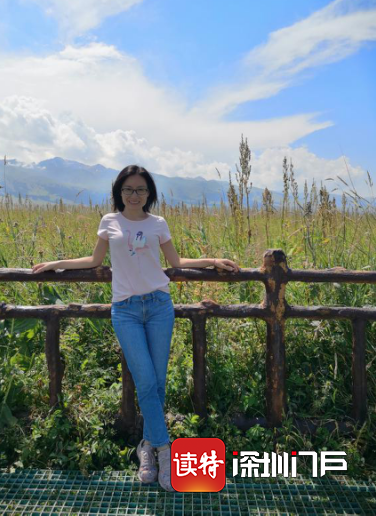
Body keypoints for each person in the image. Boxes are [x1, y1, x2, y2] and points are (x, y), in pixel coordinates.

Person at [32, 165, 239, 492]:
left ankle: (147, 447)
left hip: (159, 306)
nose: (134, 195)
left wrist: (212, 260)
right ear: (119, 192)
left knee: (157, 383)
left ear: (149, 194)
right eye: (128, 189)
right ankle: (165, 452)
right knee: (145, 381)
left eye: (141, 189)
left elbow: (177, 263)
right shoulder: (109, 221)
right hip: (126, 310)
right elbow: (94, 260)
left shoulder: (158, 223)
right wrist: (56, 264)